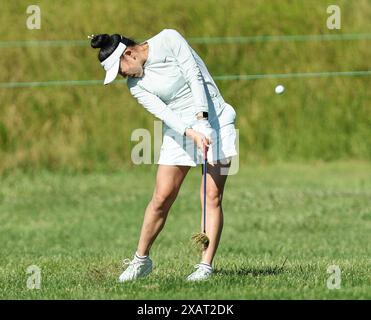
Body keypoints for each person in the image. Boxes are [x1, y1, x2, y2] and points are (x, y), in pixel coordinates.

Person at [90, 28, 237, 281]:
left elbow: (194, 75)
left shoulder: (169, 38)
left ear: (129, 54)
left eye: (120, 70)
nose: (121, 77)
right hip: (181, 130)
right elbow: (165, 113)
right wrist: (192, 131)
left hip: (217, 120)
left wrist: (203, 121)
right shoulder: (134, 85)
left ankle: (205, 266)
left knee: (211, 196)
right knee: (161, 197)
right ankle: (141, 260)